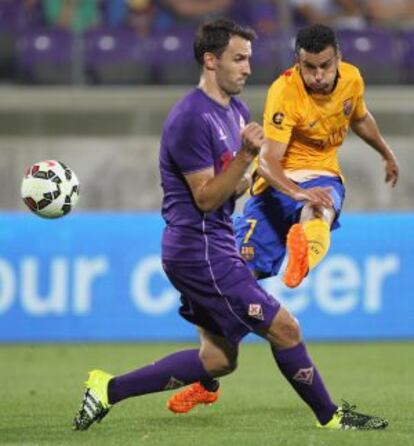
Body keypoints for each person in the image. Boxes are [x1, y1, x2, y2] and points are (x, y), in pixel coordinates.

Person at [72, 18, 388, 432]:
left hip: (218, 240)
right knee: (286, 329)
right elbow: (204, 197)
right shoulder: (190, 118)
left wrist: (247, 183)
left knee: (219, 360)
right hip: (198, 248)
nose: (248, 69)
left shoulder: (235, 110)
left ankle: (106, 389)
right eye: (238, 59)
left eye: (249, 59)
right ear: (210, 61)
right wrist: (247, 160)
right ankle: (332, 417)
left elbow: (230, 186)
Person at [234, 23, 399, 289]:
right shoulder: (285, 92)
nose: (319, 75)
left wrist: (386, 152)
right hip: (274, 185)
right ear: (298, 63)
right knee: (239, 281)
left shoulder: (352, 79)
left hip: (321, 175)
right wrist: (295, 191)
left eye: (325, 65)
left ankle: (303, 261)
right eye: (310, 67)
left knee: (318, 208)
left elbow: (360, 118)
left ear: (339, 59)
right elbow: (266, 162)